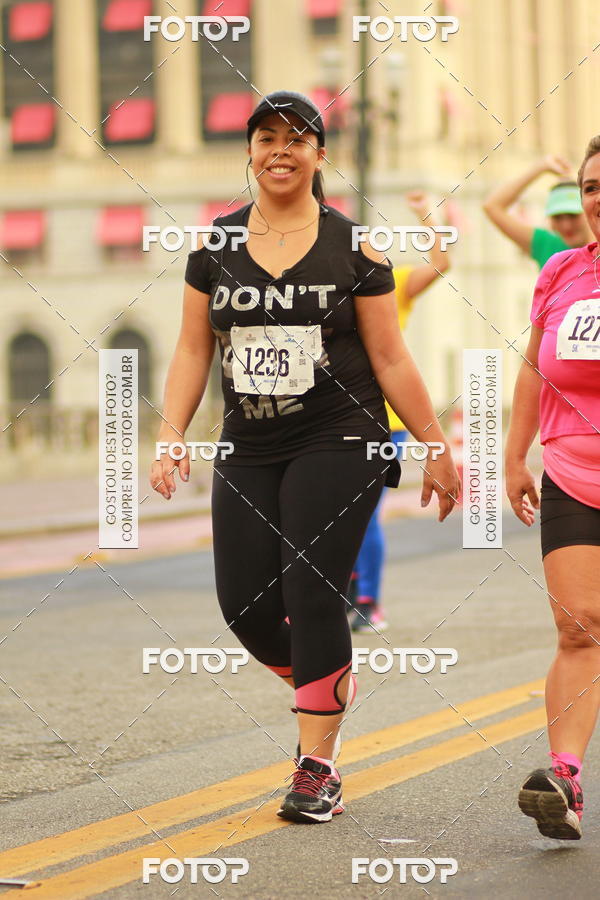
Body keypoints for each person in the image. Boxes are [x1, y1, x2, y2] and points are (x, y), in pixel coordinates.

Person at [150, 90, 460, 825]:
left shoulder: (355, 248)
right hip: (251, 443)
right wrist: (171, 434)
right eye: (266, 138)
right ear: (250, 154)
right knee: (246, 607)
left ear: (320, 156)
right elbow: (195, 347)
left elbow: (390, 355)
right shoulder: (213, 247)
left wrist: (434, 447)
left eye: (297, 138)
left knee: (312, 592)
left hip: (339, 436)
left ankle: (316, 764)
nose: (280, 150)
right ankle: (324, 688)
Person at [506, 135, 600, 840]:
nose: (597, 200)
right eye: (590, 186)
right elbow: (534, 369)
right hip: (571, 470)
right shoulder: (562, 270)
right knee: (577, 628)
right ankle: (563, 778)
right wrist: (515, 456)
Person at [350, 191, 452, 632]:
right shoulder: (329, 289)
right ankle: (338, 594)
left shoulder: (395, 286)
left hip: (387, 423)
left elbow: (442, 263)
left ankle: (367, 601)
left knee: (365, 513)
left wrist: (427, 215)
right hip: (337, 418)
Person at [483, 155, 592, 269]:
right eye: (557, 217)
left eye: (572, 215)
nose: (566, 225)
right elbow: (492, 206)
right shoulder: (546, 244)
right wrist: (541, 167)